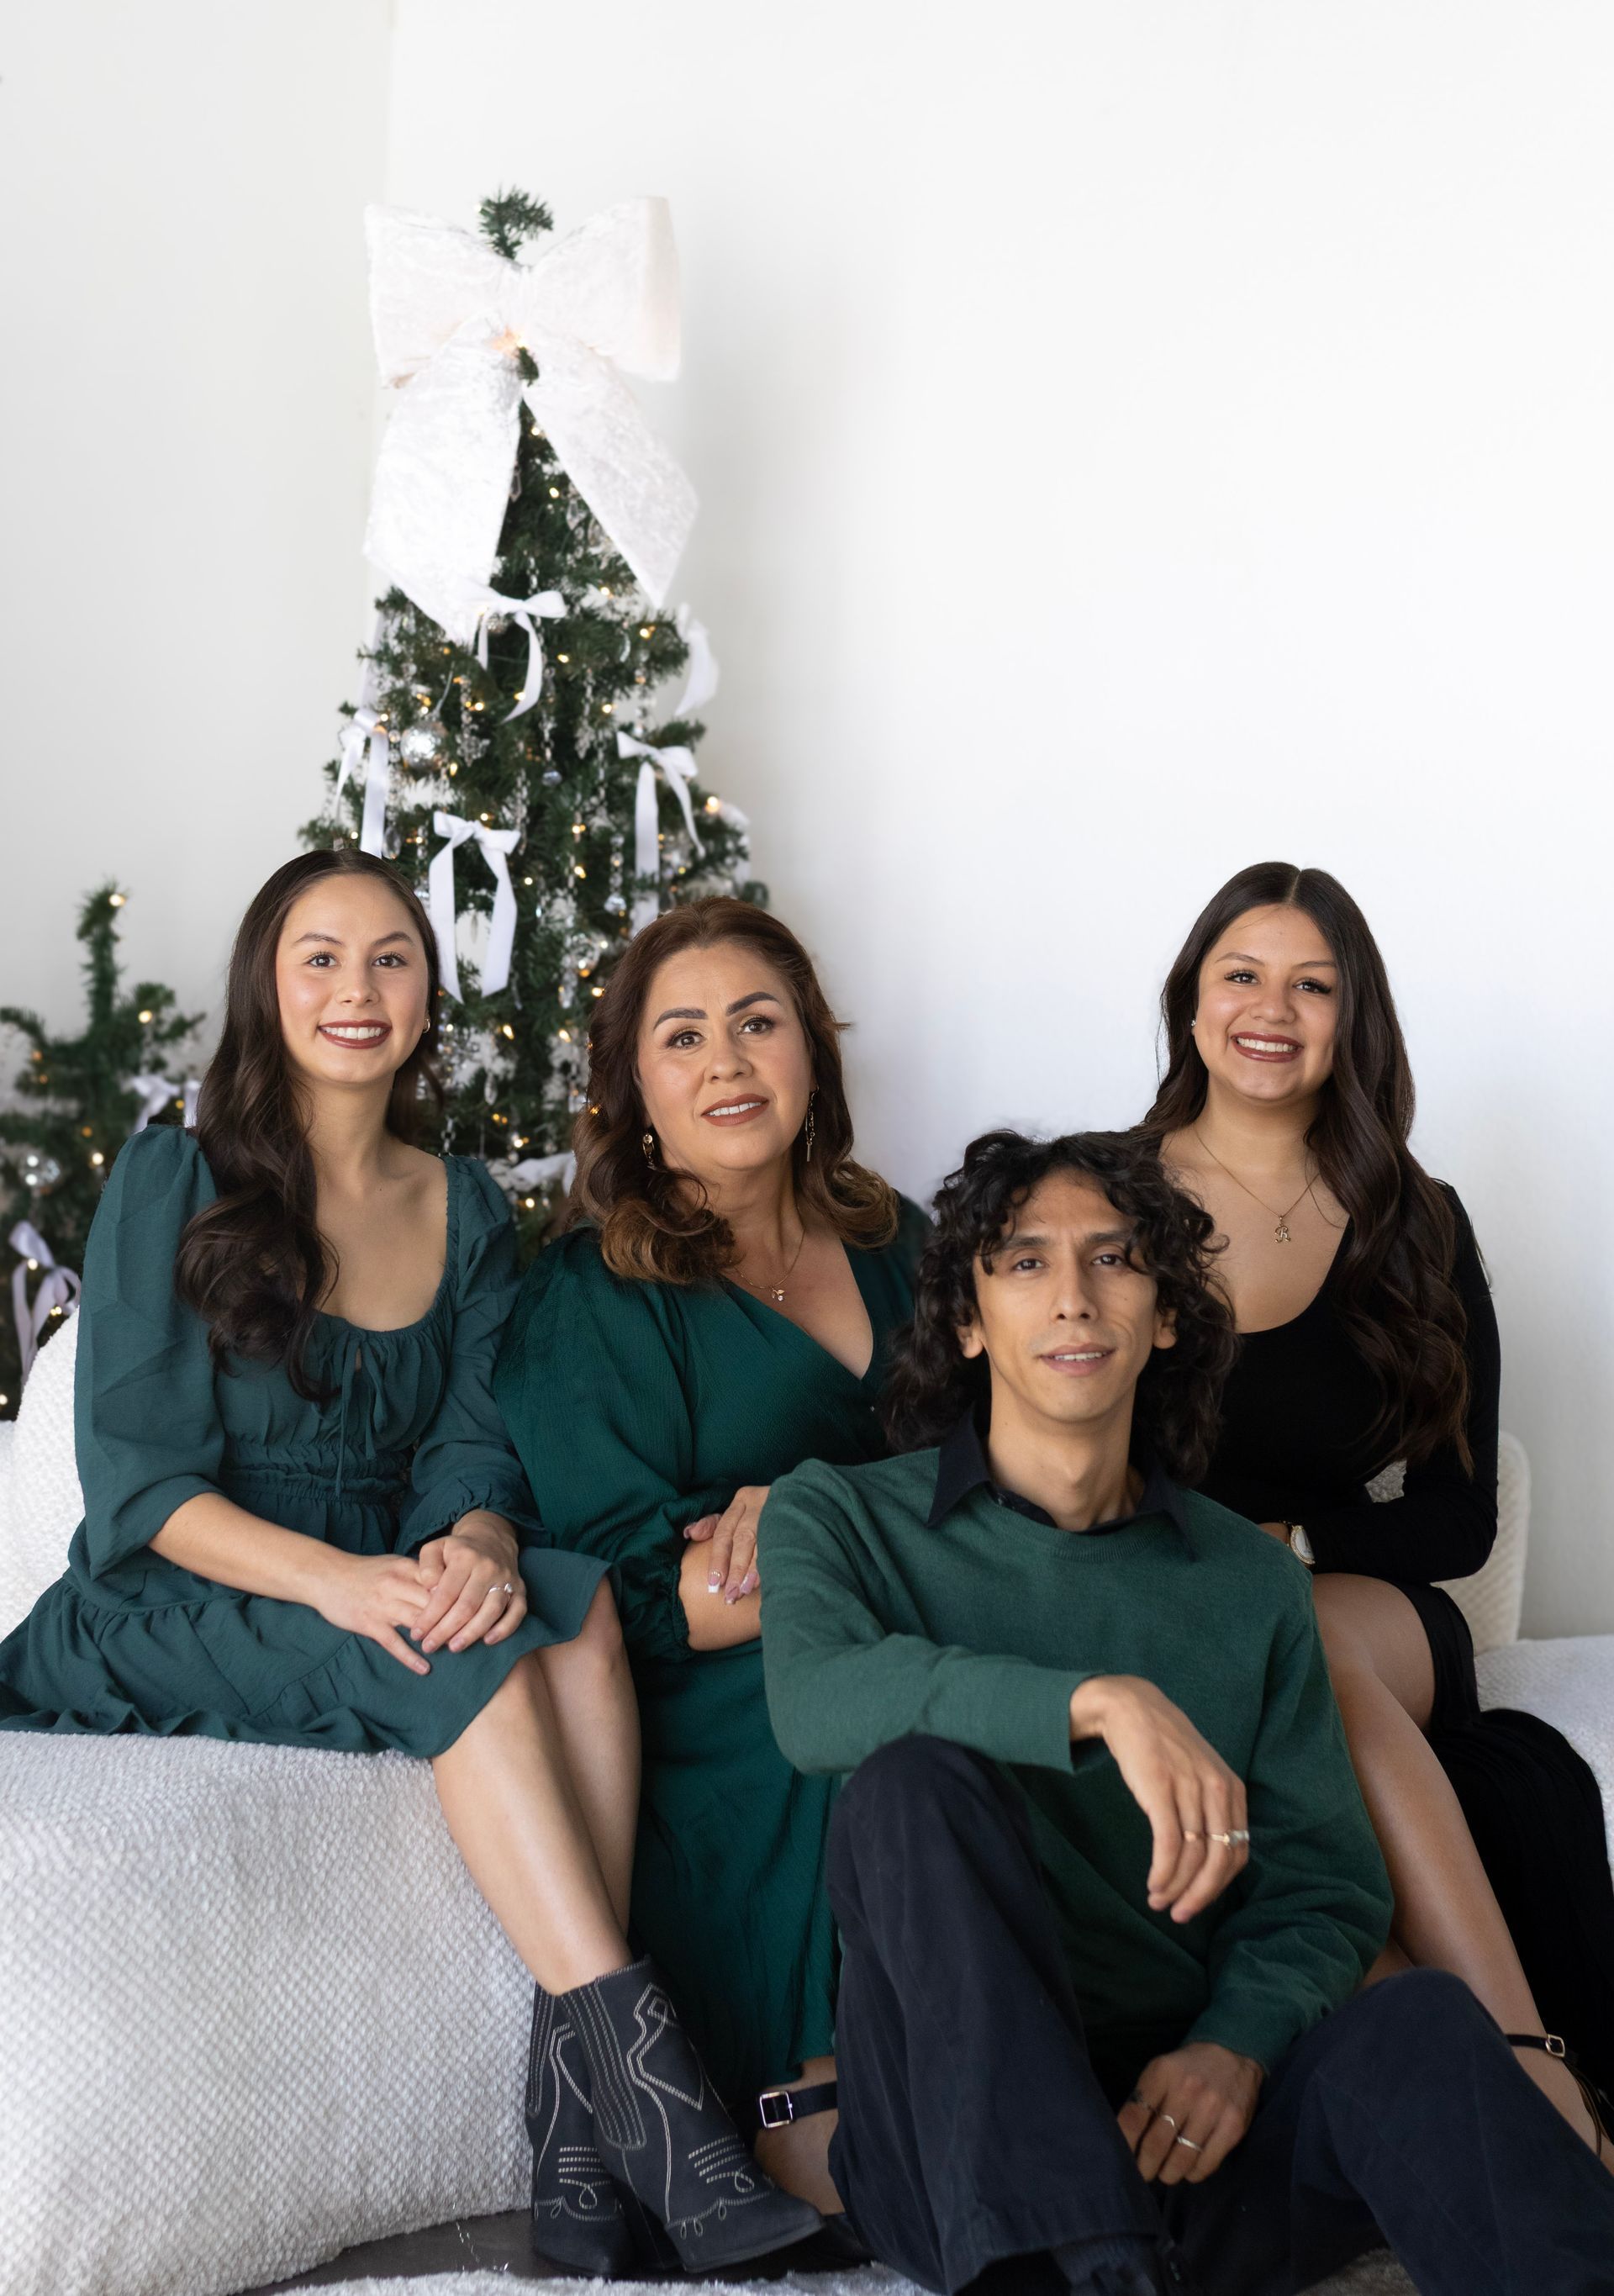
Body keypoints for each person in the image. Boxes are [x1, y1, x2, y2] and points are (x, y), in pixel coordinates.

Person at [0, 852, 818, 2279]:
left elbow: (470, 1444)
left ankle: (575, 2146)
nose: (357, 989)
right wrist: (344, 1583)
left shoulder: (469, 1205)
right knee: (453, 1653)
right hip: (174, 1594)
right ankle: (668, 2125)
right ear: (266, 985)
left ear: (428, 995)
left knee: (576, 1614)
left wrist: (480, 1541)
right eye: (320, 957)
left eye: (391, 957)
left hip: (382, 1570)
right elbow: (141, 1485)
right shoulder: (173, 1176)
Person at [757, 1127, 1614, 2296]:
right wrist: (1096, 1704)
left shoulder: (1251, 1583)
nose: (1073, 1296)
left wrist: (1233, 2047)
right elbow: (815, 1702)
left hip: (1184, 2138)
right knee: (911, 1787)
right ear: (967, 1322)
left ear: (1165, 1315)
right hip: (951, 2156)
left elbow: (1326, 1888)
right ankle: (1083, 2265)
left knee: (1419, 2021)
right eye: (1025, 1262)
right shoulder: (840, 1517)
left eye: (1114, 1259)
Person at [1138, 860, 1614, 2151]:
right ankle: (1465, 2117)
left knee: (1307, 1658)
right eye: (1242, 974)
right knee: (1268, 1687)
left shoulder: (1417, 1221)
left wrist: (1288, 1546)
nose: (1271, 1008)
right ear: (1192, 1001)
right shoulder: (1102, 1198)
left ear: (1354, 1020)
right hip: (1154, 1600)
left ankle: (1529, 2063)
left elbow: (1462, 1520)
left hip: (1349, 1601)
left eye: (1313, 986)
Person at [493, 896, 926, 2217]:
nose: (728, 1063)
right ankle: (802, 2090)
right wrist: (868, 1540)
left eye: (757, 1023)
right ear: (633, 1088)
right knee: (833, 1709)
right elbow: (638, 1597)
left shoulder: (902, 1242)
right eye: (683, 1037)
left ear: (812, 1052)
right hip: (711, 1692)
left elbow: (1009, 1473)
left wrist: (809, 1512)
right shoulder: (590, 1296)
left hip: (908, 1623)